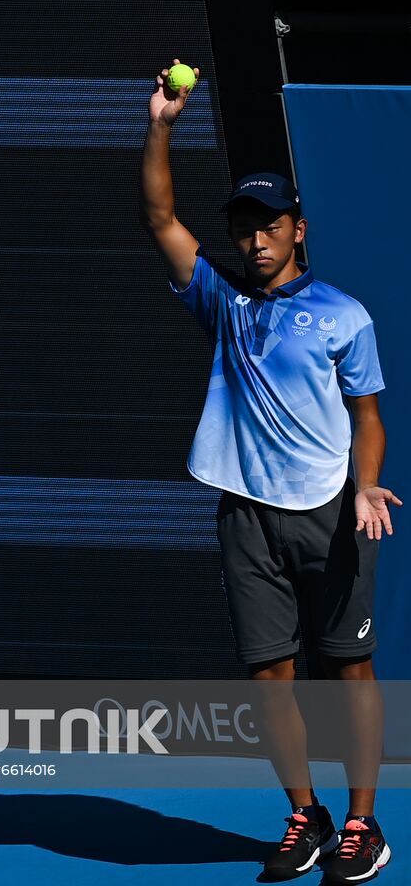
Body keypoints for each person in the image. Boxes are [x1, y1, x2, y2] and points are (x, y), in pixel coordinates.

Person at [141, 59, 399, 882]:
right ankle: (305, 816)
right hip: (243, 513)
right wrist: (160, 123)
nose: (252, 238)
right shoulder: (224, 304)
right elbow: (158, 216)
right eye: (242, 226)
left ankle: (363, 823)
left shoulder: (343, 317)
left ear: (298, 228)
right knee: (268, 677)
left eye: (267, 224)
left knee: (347, 668)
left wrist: (364, 486)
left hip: (329, 510)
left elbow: (368, 418)